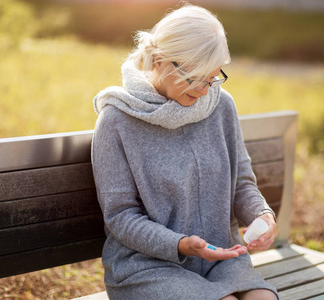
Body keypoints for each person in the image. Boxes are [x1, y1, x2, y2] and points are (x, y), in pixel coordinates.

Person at [91, 4, 278, 300]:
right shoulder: (117, 120)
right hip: (146, 267)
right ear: (162, 60)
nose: (205, 90)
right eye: (195, 78)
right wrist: (180, 244)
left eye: (213, 78)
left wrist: (262, 214)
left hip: (221, 257)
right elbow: (120, 216)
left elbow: (242, 182)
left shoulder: (221, 106)